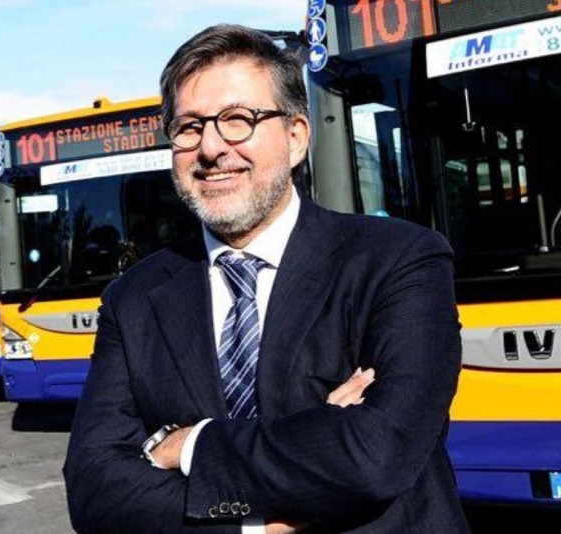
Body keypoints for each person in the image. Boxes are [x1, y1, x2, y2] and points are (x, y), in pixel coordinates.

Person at [64, 24, 469, 534]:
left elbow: (377, 455)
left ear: (296, 138)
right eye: (188, 127)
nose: (210, 148)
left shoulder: (399, 260)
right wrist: (256, 523)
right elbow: (95, 492)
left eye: (238, 120)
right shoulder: (134, 298)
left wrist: (189, 445)